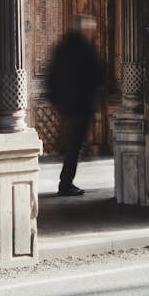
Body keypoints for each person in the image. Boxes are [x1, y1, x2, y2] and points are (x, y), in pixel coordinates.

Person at [46, 14, 104, 196]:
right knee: (75, 146)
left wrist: (54, 100)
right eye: (90, 30)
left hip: (70, 105)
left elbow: (52, 75)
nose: (92, 33)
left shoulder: (63, 47)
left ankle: (66, 182)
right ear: (83, 30)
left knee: (74, 144)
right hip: (80, 104)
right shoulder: (84, 49)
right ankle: (65, 183)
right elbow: (96, 74)